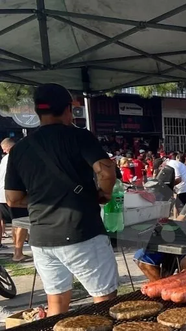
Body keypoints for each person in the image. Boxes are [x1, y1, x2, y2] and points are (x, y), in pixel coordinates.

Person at [4, 83, 119, 316]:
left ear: (37, 111)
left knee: (56, 301)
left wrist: (42, 198)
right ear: (68, 109)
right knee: (105, 299)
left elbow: (13, 199)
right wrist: (104, 194)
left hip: (41, 239)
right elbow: (106, 172)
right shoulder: (79, 137)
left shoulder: (20, 148)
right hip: (81, 232)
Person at [0, 138, 30, 262]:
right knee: (21, 224)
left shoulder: (4, 159)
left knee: (14, 223)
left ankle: (17, 252)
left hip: (3, 195)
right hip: (14, 195)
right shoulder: (18, 156)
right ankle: (18, 253)